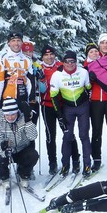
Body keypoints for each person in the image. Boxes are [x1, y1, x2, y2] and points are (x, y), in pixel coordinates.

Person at [50, 50, 93, 176]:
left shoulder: (83, 72)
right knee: (67, 137)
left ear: (76, 62)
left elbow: (89, 88)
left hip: (83, 107)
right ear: (63, 62)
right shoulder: (57, 76)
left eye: (72, 61)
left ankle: (87, 165)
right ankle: (65, 165)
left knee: (84, 136)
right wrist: (60, 116)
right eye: (67, 62)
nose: (70, 64)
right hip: (67, 108)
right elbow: (54, 97)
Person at [37, 45, 78, 175]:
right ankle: (52, 163)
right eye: (46, 55)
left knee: (68, 132)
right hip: (46, 105)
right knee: (50, 135)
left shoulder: (61, 65)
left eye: (51, 54)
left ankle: (76, 159)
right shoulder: (38, 68)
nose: (49, 57)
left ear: (54, 55)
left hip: (62, 104)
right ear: (42, 57)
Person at [86, 34, 107, 173]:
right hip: (95, 101)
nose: (105, 45)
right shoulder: (92, 58)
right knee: (96, 131)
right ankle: (97, 159)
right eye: (102, 43)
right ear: (99, 45)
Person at [0, 97, 39, 185]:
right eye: (7, 115)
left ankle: (23, 174)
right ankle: (4, 176)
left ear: (16, 112)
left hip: (22, 148)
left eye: (13, 114)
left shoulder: (23, 118)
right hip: (8, 150)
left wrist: (28, 121)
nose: (10, 117)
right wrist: (4, 149)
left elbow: (33, 136)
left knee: (33, 155)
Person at [0, 32, 33, 117]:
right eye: (13, 41)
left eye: (18, 40)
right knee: (7, 128)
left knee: (22, 128)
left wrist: (30, 100)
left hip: (23, 98)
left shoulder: (27, 59)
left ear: (22, 42)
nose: (16, 43)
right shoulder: (2, 58)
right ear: (9, 43)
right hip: (7, 98)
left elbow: (30, 81)